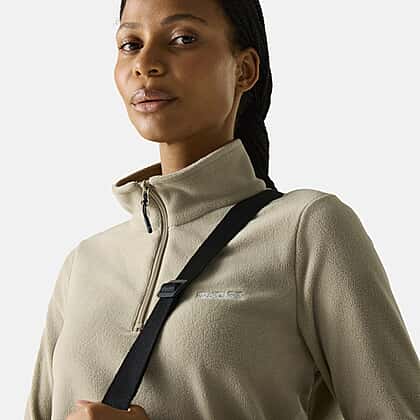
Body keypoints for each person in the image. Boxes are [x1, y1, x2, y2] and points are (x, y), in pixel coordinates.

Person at [24, 0, 420, 419]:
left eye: (183, 39)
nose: (145, 63)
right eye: (130, 44)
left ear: (244, 70)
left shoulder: (306, 230)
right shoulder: (84, 264)